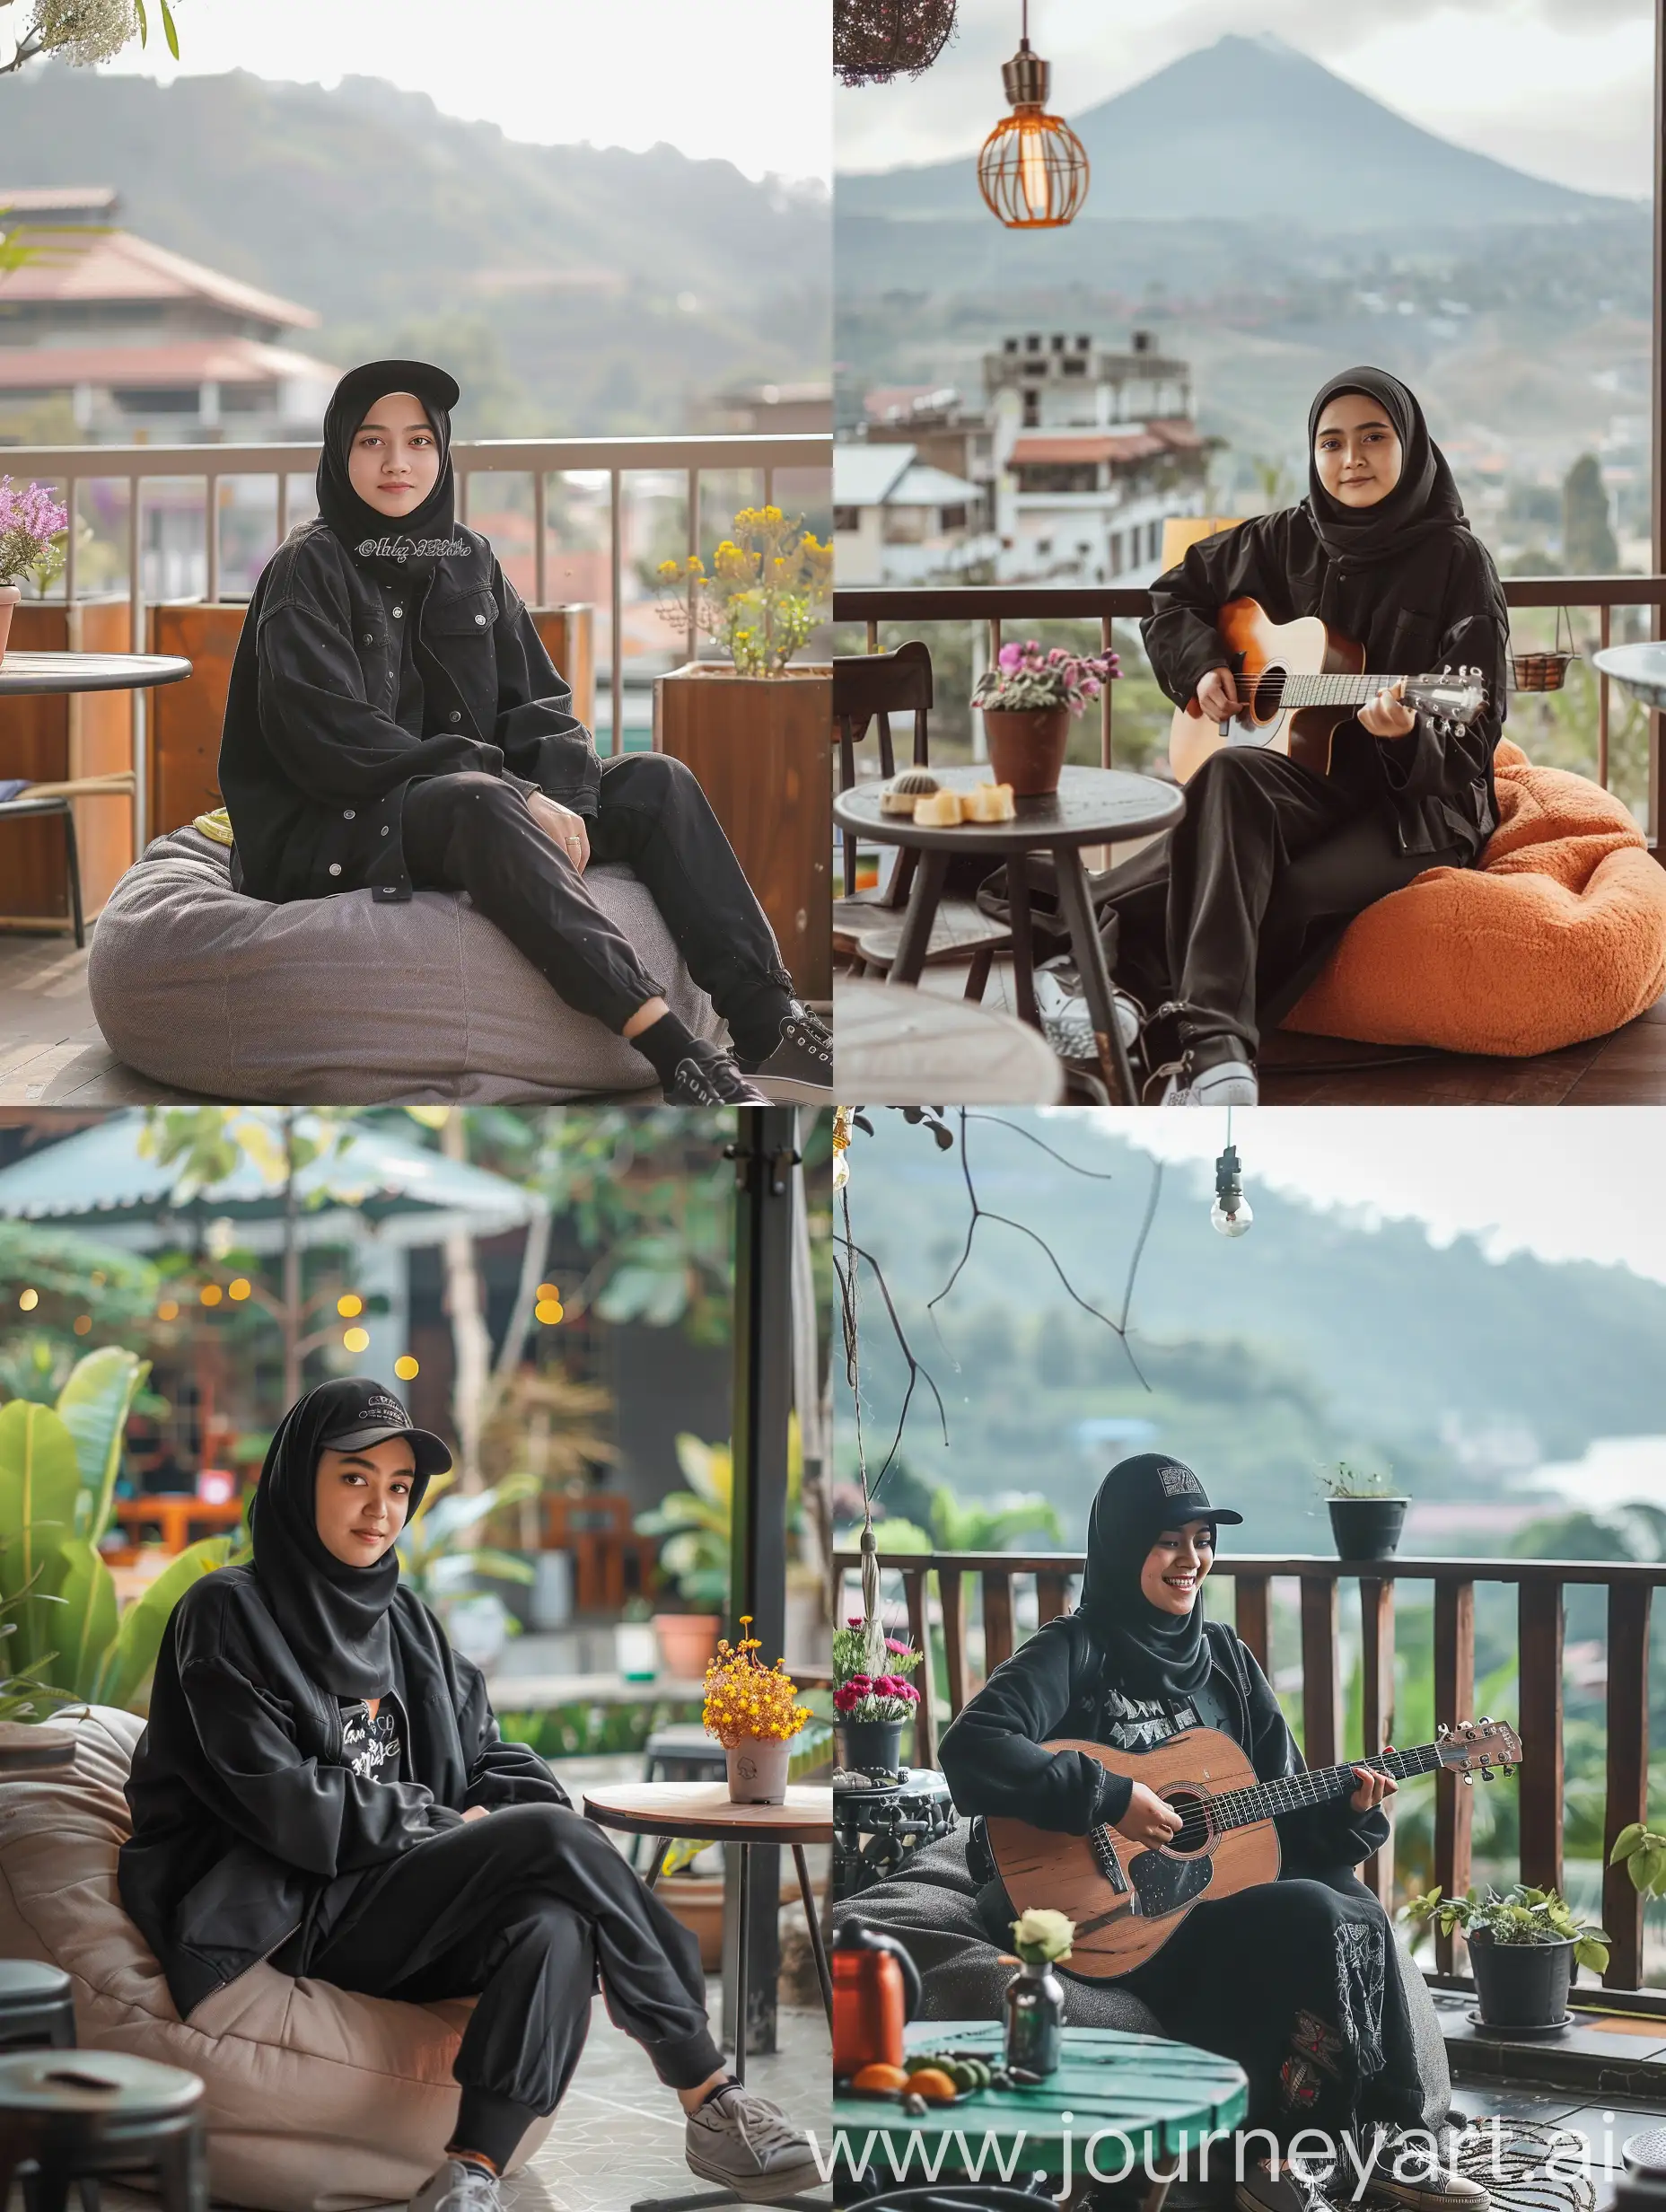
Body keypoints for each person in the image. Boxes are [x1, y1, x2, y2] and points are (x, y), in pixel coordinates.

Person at [118, 1377, 820, 2212]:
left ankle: (472, 2174)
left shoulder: (406, 1620)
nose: (380, 1507)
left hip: (404, 1909)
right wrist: (455, 1826)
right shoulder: (228, 1613)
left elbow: (493, 1755)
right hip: (293, 1909)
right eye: (353, 1478)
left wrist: (479, 1819)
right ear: (296, 1476)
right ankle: (707, 2091)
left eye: (399, 1487)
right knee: (550, 1841)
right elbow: (290, 1808)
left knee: (555, 1922)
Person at [216, 358, 831, 1107]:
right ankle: (678, 1054)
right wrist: (514, 795)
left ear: (442, 455)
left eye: (417, 442)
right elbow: (334, 743)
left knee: (656, 781)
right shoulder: (304, 571)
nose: (397, 462)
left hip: (472, 805)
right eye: (372, 442)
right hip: (336, 824)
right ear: (339, 453)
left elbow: (537, 705)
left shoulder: (469, 559)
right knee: (480, 800)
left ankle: (770, 1021)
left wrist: (556, 796)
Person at [937, 1453, 1488, 2212]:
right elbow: (971, 1750)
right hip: (1102, 1915)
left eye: (1202, 1539)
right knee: (1319, 1912)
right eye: (1168, 1540)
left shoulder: (1226, 1660)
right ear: (1124, 1544)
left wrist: (1348, 1813)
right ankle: (1282, 2160)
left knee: (1341, 1895)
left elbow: (1274, 1827)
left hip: (1202, 1902)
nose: (1190, 1559)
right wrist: (1111, 1796)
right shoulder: (1073, 1650)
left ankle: (1389, 2144)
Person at [1071, 367, 1509, 1108]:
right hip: (1308, 777)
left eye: (1374, 438)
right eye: (1331, 443)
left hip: (1415, 806)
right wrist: (1205, 667)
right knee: (1230, 775)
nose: (1351, 459)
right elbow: (1172, 598)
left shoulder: (1457, 564)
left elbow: (1474, 732)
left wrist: (1406, 739)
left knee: (1291, 888)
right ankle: (1209, 1054)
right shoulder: (1283, 538)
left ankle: (1143, 1008)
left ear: (1411, 445)